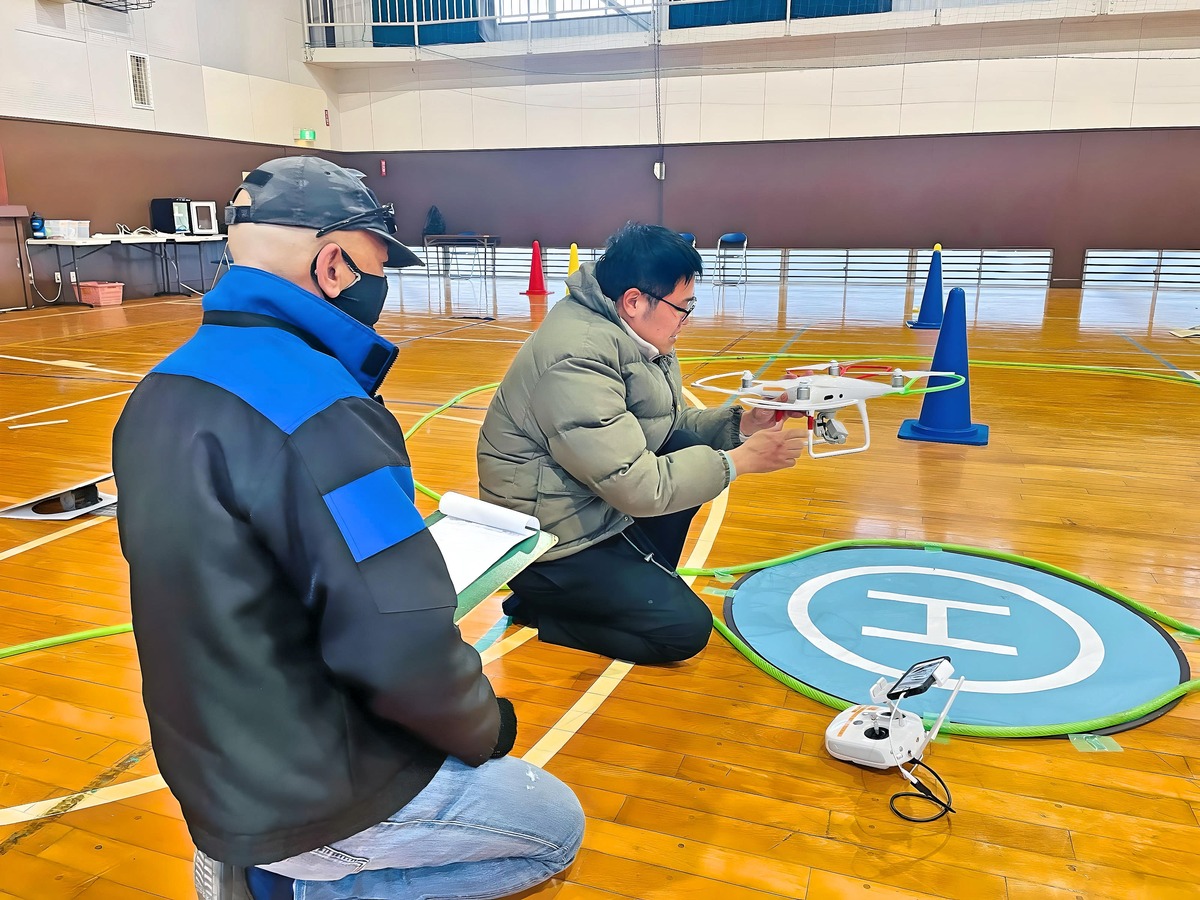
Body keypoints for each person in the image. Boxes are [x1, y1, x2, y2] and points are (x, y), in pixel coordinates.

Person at [113, 157, 584, 900]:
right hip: (307, 788)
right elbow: (394, 634)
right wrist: (481, 725)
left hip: (208, 762)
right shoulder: (321, 408)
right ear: (333, 264)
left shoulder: (160, 389)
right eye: (374, 261)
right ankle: (312, 881)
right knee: (551, 826)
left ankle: (249, 860)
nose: (380, 283)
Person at [477, 223, 807, 666]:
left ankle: (634, 583)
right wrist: (738, 462)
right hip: (552, 543)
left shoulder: (632, 331)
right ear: (634, 301)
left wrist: (744, 423)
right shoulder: (578, 357)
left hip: (593, 509)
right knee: (684, 631)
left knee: (686, 444)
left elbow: (665, 426)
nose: (686, 320)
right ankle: (543, 610)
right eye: (682, 308)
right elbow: (637, 485)